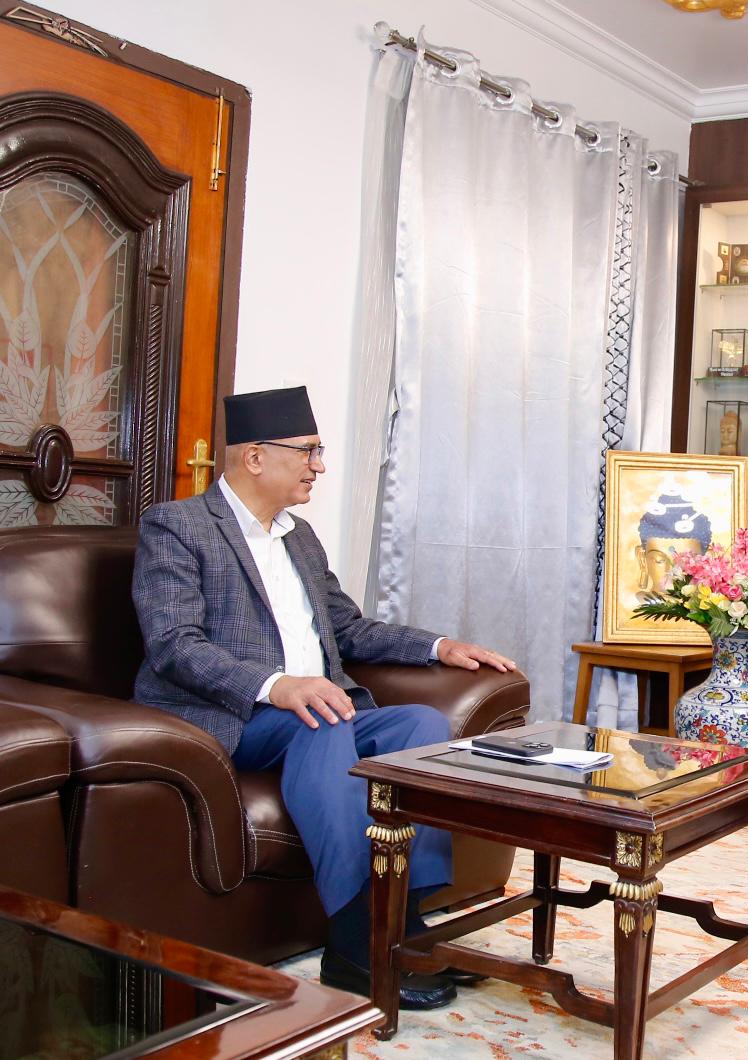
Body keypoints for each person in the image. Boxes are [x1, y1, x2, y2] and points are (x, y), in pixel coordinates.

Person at [131, 386, 516, 1011]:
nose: (320, 465)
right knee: (323, 716)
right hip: (231, 715)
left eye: (319, 451)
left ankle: (405, 917)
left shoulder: (300, 537)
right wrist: (278, 686)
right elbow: (174, 645)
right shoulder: (177, 527)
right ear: (255, 456)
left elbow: (348, 628)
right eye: (308, 451)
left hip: (316, 708)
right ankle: (353, 944)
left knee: (418, 727)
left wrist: (438, 646)